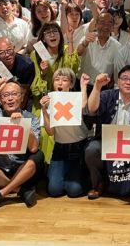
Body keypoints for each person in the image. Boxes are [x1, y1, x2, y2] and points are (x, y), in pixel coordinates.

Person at [84, 67, 130, 200]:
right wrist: (97, 87)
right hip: (106, 142)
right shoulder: (107, 96)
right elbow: (91, 110)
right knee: (92, 149)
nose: (128, 82)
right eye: (125, 78)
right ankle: (98, 184)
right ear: (118, 81)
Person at [0, 78, 43, 215]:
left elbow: (33, 148)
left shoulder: (31, 117)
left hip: (22, 169)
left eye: (14, 94)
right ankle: (20, 190)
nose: (10, 99)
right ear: (1, 101)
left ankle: (0, 194)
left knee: (38, 156)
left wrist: (23, 124)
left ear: (21, 97)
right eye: (5, 95)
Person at [29, 22, 79, 162]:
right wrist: (44, 74)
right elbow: (36, 89)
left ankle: (60, 164)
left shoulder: (66, 49)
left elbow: (72, 70)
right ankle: (45, 165)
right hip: (43, 101)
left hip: (64, 101)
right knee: (45, 133)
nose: (52, 34)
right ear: (43, 38)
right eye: (48, 32)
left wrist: (70, 39)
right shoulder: (35, 54)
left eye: (55, 31)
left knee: (64, 130)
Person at [40, 70, 90, 198]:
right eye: (57, 80)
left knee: (74, 190)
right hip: (60, 149)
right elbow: (50, 132)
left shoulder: (76, 98)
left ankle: (80, 176)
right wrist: (44, 110)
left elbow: (83, 106)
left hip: (78, 147)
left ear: (71, 84)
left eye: (65, 80)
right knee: (54, 190)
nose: (60, 83)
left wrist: (83, 86)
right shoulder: (48, 101)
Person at [77, 11, 121, 86]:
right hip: (82, 84)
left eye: (109, 23)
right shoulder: (87, 38)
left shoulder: (117, 46)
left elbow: (117, 70)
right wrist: (85, 43)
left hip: (103, 87)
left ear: (113, 27)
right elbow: (78, 53)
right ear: (96, 25)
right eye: (102, 22)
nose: (105, 26)